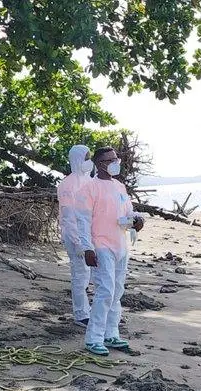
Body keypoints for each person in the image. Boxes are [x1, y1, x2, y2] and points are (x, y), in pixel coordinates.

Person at [76, 147, 144, 356]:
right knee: (105, 291)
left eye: (116, 159)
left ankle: (111, 333)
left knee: (117, 291)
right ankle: (94, 338)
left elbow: (127, 212)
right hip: (100, 245)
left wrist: (136, 221)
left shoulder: (120, 187)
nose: (115, 163)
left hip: (120, 245)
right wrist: (87, 248)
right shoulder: (89, 188)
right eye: (110, 160)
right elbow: (83, 220)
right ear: (99, 164)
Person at [58, 145, 93, 328]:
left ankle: (90, 310)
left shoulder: (89, 181)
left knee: (90, 276)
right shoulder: (68, 184)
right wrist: (78, 242)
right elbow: (68, 217)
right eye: (86, 157)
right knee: (80, 275)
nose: (89, 161)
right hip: (76, 238)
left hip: (90, 235)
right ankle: (81, 314)